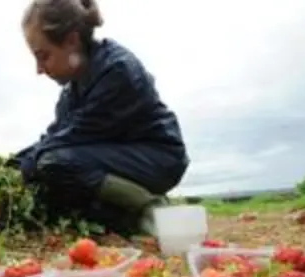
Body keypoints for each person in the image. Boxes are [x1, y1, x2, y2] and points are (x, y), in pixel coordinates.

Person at [11, 0, 189, 235]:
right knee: (52, 181)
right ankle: (123, 217)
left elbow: (66, 141)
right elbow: (54, 137)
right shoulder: (72, 91)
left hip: (159, 158)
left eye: (43, 56)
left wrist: (21, 168)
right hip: (119, 157)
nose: (39, 69)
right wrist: (12, 164)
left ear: (72, 41)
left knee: (56, 163)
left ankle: (151, 208)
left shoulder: (117, 71)